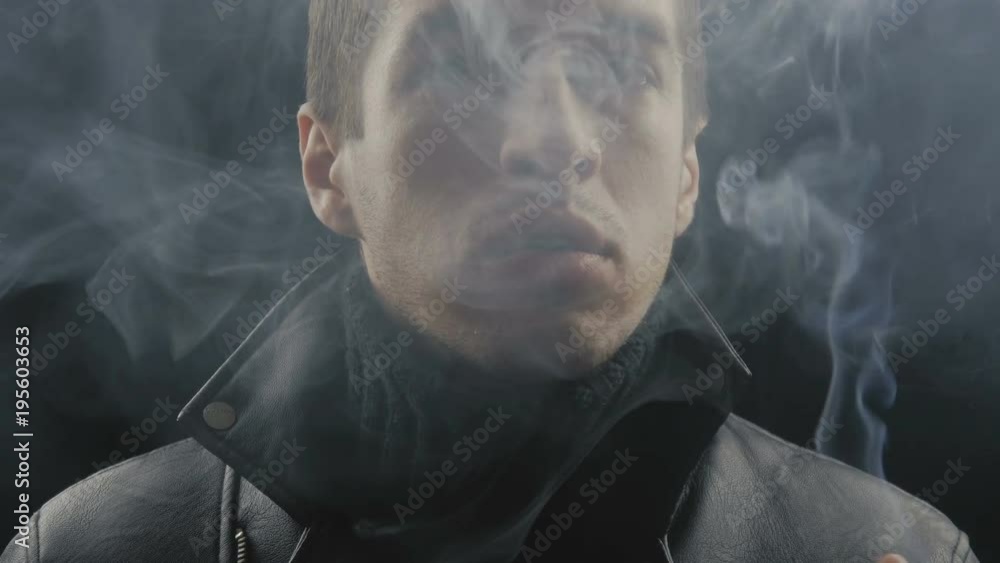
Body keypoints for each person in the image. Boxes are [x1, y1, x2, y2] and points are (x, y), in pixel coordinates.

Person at [2, 1, 978, 561]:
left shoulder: (882, 545)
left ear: (686, 170)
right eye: (461, 69)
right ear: (325, 164)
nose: (548, 142)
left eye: (615, 66)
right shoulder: (89, 551)